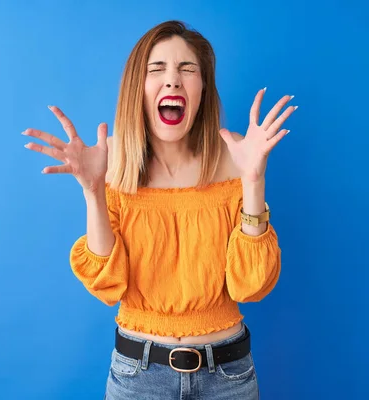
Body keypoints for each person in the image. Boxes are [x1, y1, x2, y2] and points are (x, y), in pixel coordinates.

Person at [23, 20, 296, 400]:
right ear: (139, 87)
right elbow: (108, 284)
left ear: (202, 88)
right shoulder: (112, 160)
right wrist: (93, 191)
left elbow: (250, 286)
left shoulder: (237, 155)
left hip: (228, 378)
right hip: (139, 378)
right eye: (157, 69)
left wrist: (253, 180)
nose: (172, 81)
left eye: (187, 69)